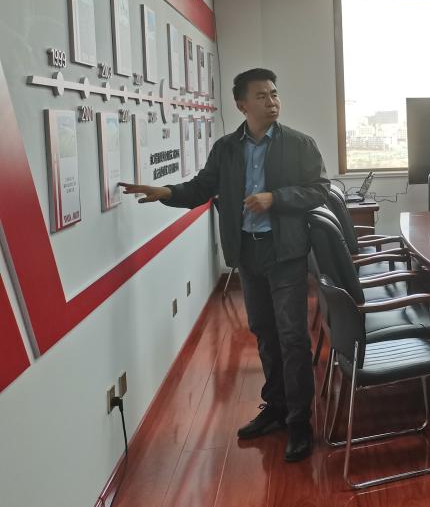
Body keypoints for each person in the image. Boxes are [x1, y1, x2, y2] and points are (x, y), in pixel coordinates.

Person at [120, 68, 329, 463]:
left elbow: (320, 190)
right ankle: (277, 408)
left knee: (292, 336)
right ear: (241, 105)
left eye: (274, 93)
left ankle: (300, 421)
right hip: (246, 252)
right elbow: (202, 187)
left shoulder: (300, 144)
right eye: (262, 96)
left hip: (285, 252)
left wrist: (276, 198)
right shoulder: (227, 149)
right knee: (264, 332)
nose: (272, 102)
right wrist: (166, 191)